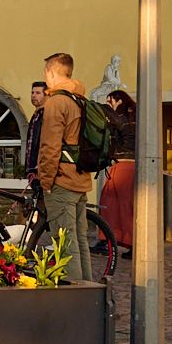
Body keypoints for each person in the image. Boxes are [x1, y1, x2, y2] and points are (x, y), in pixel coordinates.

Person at [33, 52, 93, 282]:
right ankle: (90, 290)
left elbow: (50, 147)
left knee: (65, 244)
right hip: (80, 180)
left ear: (51, 72)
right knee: (80, 241)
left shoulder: (57, 102)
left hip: (62, 181)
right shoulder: (80, 99)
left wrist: (45, 181)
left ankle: (76, 297)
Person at [99, 91, 136, 248]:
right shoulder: (135, 117)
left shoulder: (121, 119)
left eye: (110, 101)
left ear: (119, 101)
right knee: (126, 207)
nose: (109, 105)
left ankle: (109, 240)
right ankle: (129, 242)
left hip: (122, 166)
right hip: (131, 166)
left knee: (110, 205)